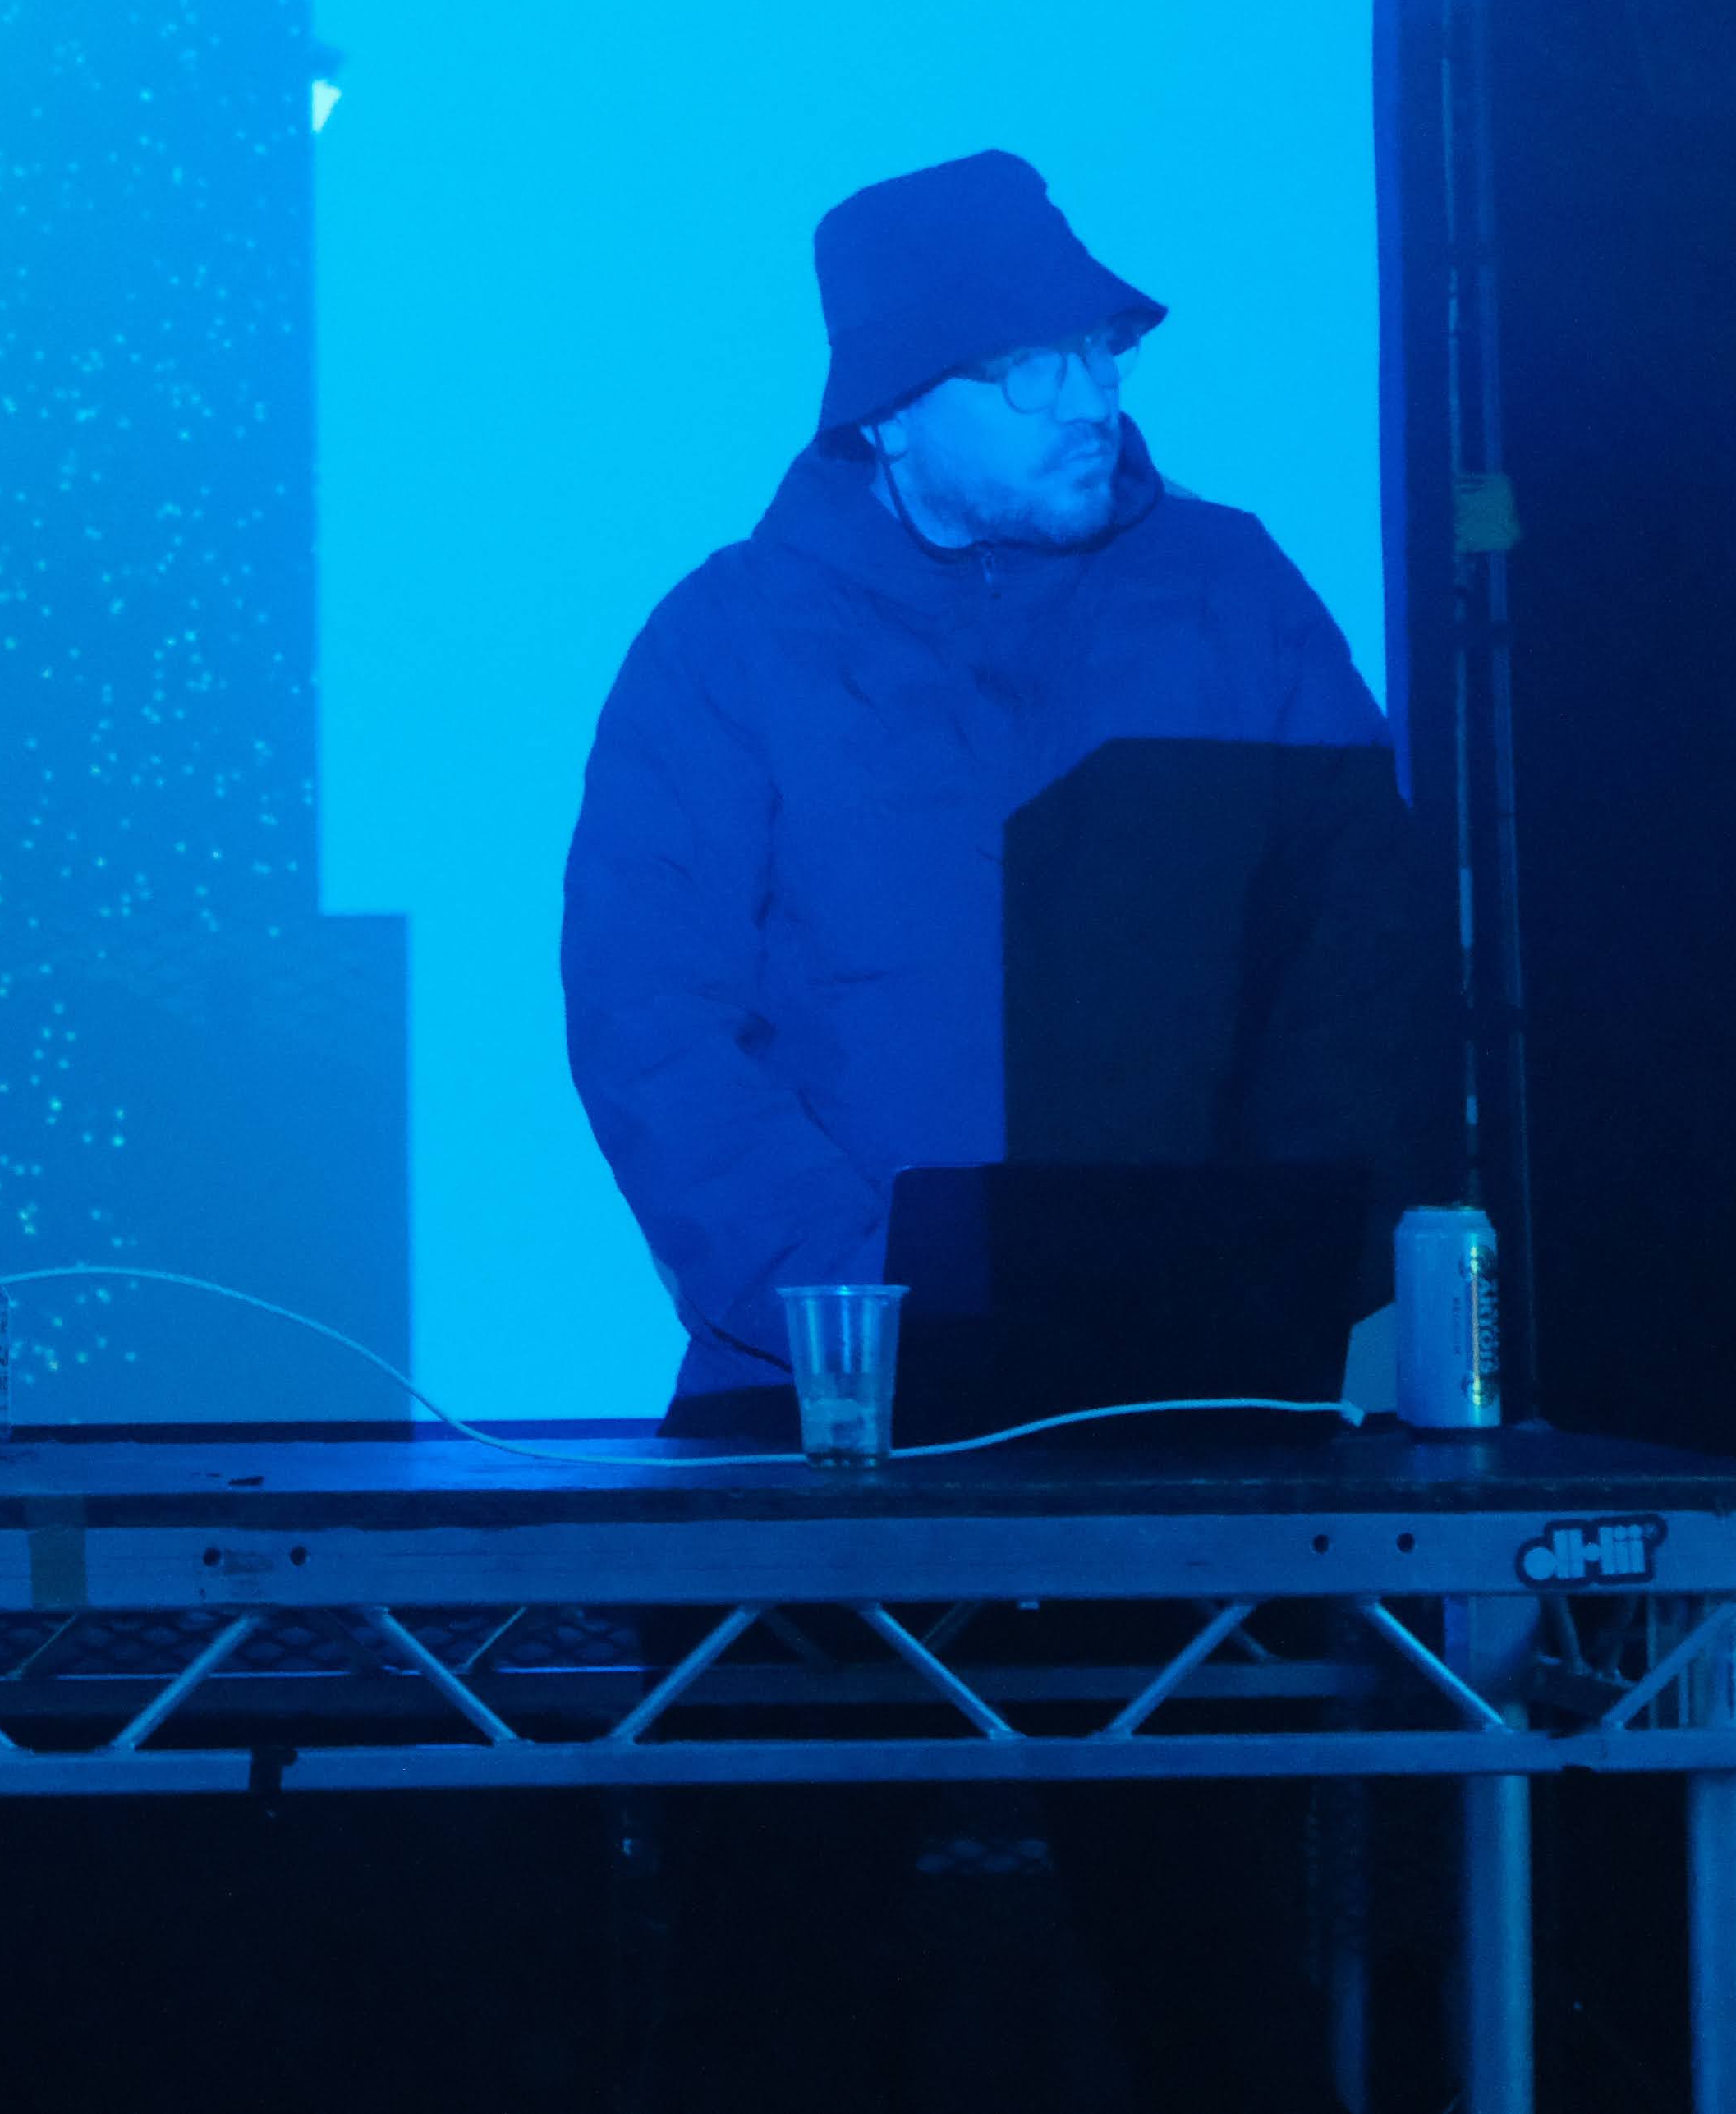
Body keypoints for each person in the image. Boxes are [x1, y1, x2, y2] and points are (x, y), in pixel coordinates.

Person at [558, 150, 1450, 2112]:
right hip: (805, 1435)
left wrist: (1252, 1289)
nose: (1092, 398)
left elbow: (1360, 963)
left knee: (1224, 2005)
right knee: (772, 2012)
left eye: (1100, 354)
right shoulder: (727, 643)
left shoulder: (1235, 597)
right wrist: (863, 1317)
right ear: (889, 410)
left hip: (1184, 1427)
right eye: (1031, 366)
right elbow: (651, 1020)